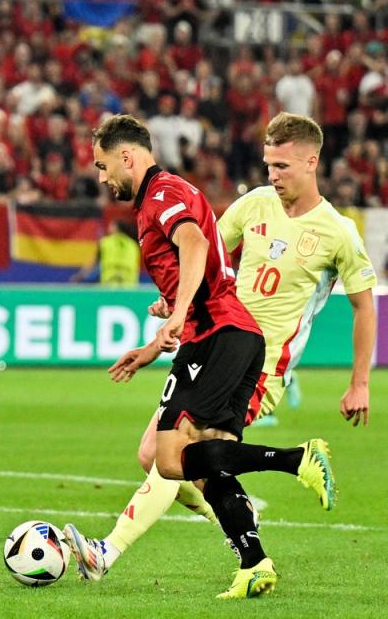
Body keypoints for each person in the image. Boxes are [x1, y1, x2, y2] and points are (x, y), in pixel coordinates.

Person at [63, 112, 376, 587]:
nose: (272, 175)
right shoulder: (254, 205)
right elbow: (205, 249)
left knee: (174, 452)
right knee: (163, 455)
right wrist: (176, 299)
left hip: (264, 362)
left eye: (283, 166)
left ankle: (109, 550)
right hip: (213, 339)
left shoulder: (338, 232)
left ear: (312, 162)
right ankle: (247, 535)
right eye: (268, 164)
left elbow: (364, 307)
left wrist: (359, 383)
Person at [70, 219, 141, 287]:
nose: (108, 227)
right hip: (130, 284)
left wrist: (79, 276)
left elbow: (93, 262)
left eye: (111, 225)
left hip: (109, 283)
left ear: (116, 228)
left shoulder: (105, 243)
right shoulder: (133, 245)